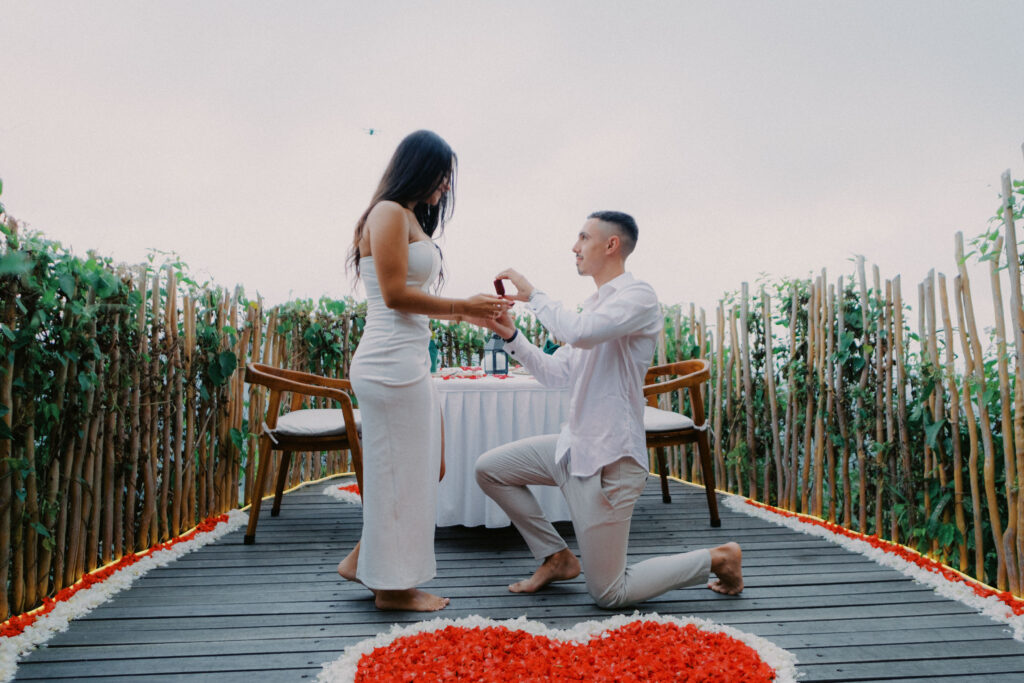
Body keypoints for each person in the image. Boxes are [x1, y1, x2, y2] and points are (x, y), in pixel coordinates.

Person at [474, 211, 743, 609]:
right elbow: (554, 373)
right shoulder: (595, 312)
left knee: (609, 593)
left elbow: (577, 333)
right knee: (490, 469)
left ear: (611, 245)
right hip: (572, 450)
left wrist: (534, 295)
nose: (575, 247)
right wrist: (511, 336)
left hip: (609, 463)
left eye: (584, 237)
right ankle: (556, 557)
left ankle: (719, 558)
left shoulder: (638, 297)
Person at [336, 130, 511, 612]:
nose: (446, 185)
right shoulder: (388, 212)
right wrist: (462, 307)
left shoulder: (408, 216)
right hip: (388, 360)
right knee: (401, 470)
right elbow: (395, 296)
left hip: (409, 358)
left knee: (428, 466)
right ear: (418, 167)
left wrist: (474, 315)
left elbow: (415, 300)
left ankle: (363, 559)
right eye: (441, 175)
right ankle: (393, 589)